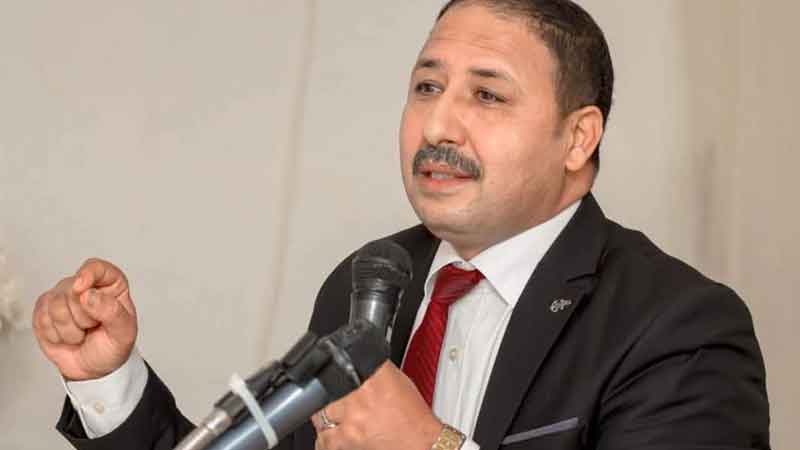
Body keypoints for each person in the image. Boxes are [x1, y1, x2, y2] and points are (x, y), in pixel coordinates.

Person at [32, 1, 771, 449]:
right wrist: (108, 381)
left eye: (487, 95)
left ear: (578, 138)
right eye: (426, 86)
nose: (438, 124)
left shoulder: (679, 326)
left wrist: (433, 448)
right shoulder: (372, 280)